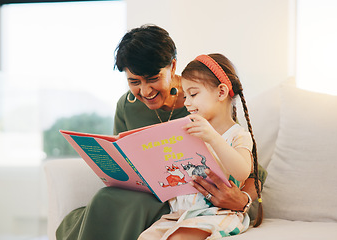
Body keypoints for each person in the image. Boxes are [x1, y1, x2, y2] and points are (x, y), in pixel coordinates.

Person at [56, 25, 266, 240]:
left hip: (182, 202)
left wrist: (242, 201)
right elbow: (123, 162)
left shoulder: (203, 103)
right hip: (146, 194)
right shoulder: (127, 106)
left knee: (112, 204)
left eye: (153, 78)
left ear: (172, 66)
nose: (145, 91)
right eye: (134, 82)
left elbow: (248, 170)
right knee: (106, 197)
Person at [138, 53, 263, 240]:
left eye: (193, 94)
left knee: (179, 238)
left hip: (217, 214)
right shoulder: (189, 132)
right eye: (185, 95)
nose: (187, 102)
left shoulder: (239, 135)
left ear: (221, 92)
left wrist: (213, 137)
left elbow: (242, 172)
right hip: (179, 215)